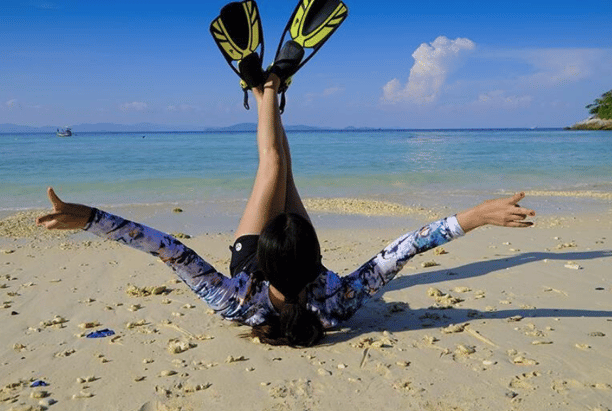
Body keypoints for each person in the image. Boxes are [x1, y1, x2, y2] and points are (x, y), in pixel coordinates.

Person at [36, 72, 535, 347]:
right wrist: (478, 214)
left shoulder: (245, 296)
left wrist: (91, 218)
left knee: (273, 164)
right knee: (284, 171)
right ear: (317, 259)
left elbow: (165, 249)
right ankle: (270, 100)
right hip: (270, 251)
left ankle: (266, 93)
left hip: (250, 251)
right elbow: (406, 249)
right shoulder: (328, 301)